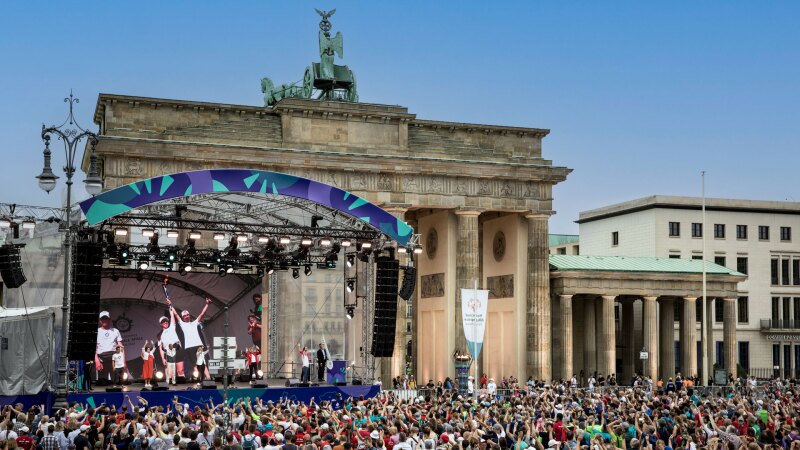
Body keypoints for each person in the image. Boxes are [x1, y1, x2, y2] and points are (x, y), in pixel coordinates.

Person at [167, 296, 211, 379]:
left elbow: (202, 314)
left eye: (187, 315)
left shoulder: (195, 322)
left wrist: (207, 304)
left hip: (198, 345)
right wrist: (170, 304)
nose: (187, 316)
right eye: (185, 315)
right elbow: (176, 314)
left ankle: (208, 378)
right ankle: (200, 379)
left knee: (202, 362)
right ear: (183, 317)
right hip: (189, 347)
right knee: (194, 364)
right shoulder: (182, 324)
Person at [95, 311, 124, 384]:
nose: (105, 320)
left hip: (113, 358)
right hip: (101, 358)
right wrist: (97, 361)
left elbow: (121, 346)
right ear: (100, 321)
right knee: (102, 382)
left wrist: (123, 361)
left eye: (106, 318)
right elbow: (94, 348)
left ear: (109, 319)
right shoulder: (97, 332)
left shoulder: (115, 331)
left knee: (116, 380)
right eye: (103, 319)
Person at [157, 314, 184, 379]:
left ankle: (183, 386)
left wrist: (170, 307)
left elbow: (172, 315)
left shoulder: (172, 327)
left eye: (166, 321)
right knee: (170, 373)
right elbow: (160, 348)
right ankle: (170, 387)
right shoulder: (159, 335)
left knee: (180, 370)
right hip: (168, 352)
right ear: (161, 324)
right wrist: (163, 358)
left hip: (177, 349)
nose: (165, 322)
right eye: (163, 321)